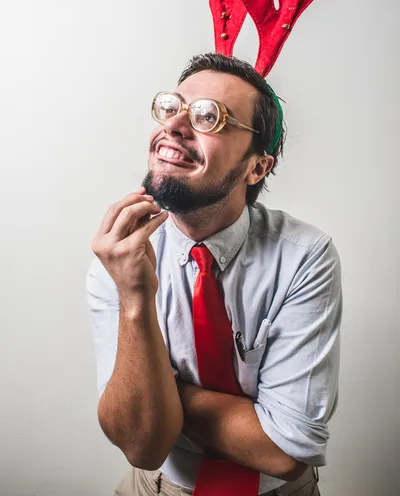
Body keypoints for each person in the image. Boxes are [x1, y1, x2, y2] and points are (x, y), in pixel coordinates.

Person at [86, 52, 343, 496]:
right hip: (158, 487)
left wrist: (165, 397)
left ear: (257, 166)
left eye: (210, 117)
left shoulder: (305, 257)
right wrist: (134, 298)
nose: (175, 126)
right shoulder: (120, 254)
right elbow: (140, 444)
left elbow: (285, 452)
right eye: (173, 107)